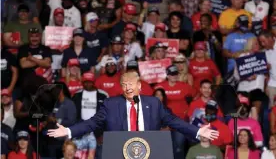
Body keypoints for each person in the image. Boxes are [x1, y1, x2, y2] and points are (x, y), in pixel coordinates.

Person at [47, 71, 219, 144]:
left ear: (139, 86)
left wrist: (197, 131)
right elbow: (91, 123)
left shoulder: (153, 103)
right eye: (124, 85)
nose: (127, 88)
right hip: (119, 150)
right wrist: (69, 131)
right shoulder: (110, 104)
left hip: (148, 150)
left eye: (131, 84)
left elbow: (174, 121)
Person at [72, 72, 107, 159]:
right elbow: (74, 114)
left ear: (94, 82)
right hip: (81, 131)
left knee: (99, 155)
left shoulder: (102, 96)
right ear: (82, 83)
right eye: (85, 82)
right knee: (80, 156)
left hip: (97, 131)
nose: (88, 84)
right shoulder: (76, 96)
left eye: (90, 82)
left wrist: (102, 133)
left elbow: (106, 116)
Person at [259, 31, 276, 108]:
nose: (262, 44)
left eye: (263, 41)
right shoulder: (265, 52)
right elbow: (266, 72)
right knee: (273, 110)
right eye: (261, 42)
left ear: (270, 38)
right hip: (272, 84)